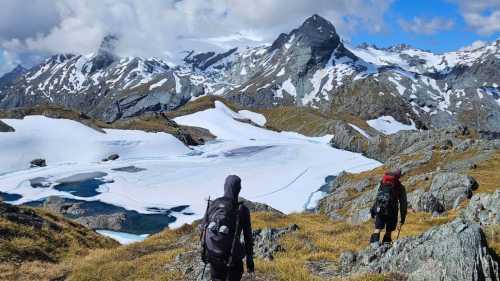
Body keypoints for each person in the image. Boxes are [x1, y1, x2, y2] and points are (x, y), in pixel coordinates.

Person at [200, 175, 254, 281]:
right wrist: (249, 259)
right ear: (238, 189)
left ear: (225, 187)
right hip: (232, 257)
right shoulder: (242, 209)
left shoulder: (213, 204)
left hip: (213, 254)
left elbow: (203, 227)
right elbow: (248, 236)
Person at [369, 168, 407, 247]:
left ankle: (373, 246)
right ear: (399, 176)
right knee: (388, 231)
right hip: (392, 211)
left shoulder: (383, 182)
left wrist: (373, 210)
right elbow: (403, 204)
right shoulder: (400, 187)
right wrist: (402, 219)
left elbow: (377, 197)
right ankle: (385, 246)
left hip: (380, 209)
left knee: (377, 229)